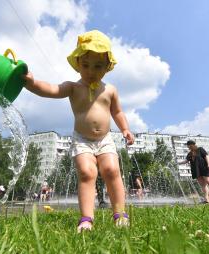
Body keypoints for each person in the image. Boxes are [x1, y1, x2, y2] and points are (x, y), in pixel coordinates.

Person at [24, 30, 134, 232]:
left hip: (105, 139)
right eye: (86, 65)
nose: (91, 71)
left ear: (108, 67)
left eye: (98, 66)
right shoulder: (73, 87)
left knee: (112, 170)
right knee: (86, 172)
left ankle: (119, 214)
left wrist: (125, 129)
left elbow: (117, 111)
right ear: (77, 63)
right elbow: (51, 89)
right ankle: (86, 219)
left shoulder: (110, 90)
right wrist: (32, 84)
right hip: (82, 139)